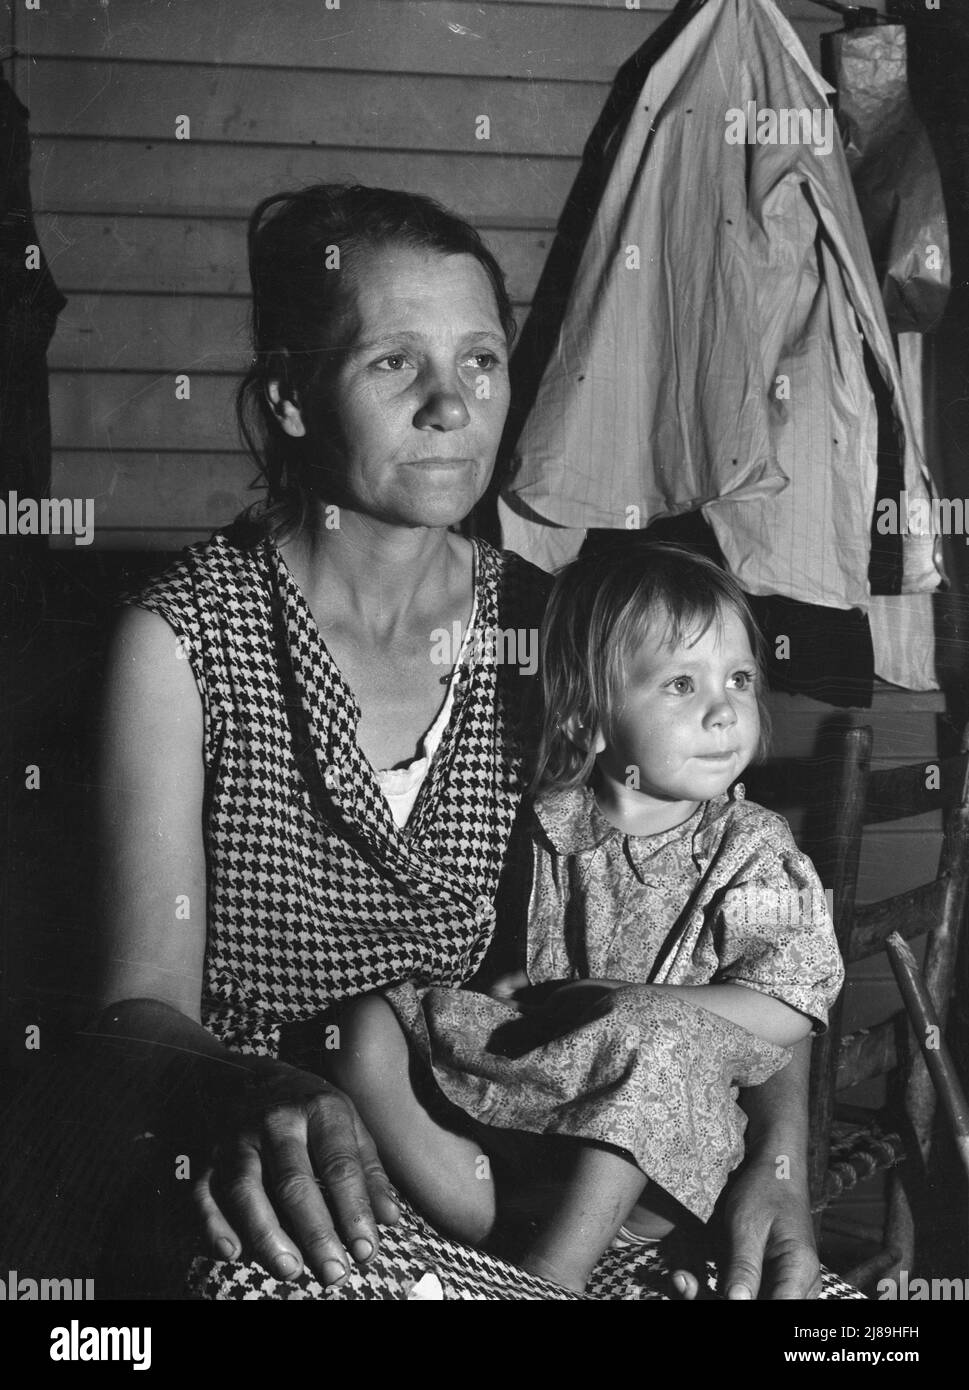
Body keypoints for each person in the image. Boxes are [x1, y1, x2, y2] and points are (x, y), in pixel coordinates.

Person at [91, 182, 827, 1300]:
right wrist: (251, 1089)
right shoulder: (185, 637)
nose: (451, 405)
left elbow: (733, 894)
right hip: (277, 1162)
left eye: (480, 361)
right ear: (290, 396)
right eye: (394, 362)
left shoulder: (559, 633)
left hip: (539, 1171)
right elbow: (136, 1007)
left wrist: (779, 1162)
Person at [321, 544, 844, 1291]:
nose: (725, 709)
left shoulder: (753, 847)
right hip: (547, 1104)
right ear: (587, 718)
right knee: (368, 1025)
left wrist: (638, 1005)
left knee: (653, 1038)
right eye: (682, 684)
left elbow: (792, 1004)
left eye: (738, 679)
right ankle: (488, 1225)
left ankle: (551, 1277)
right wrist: (518, 989)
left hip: (663, 1146)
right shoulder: (554, 817)